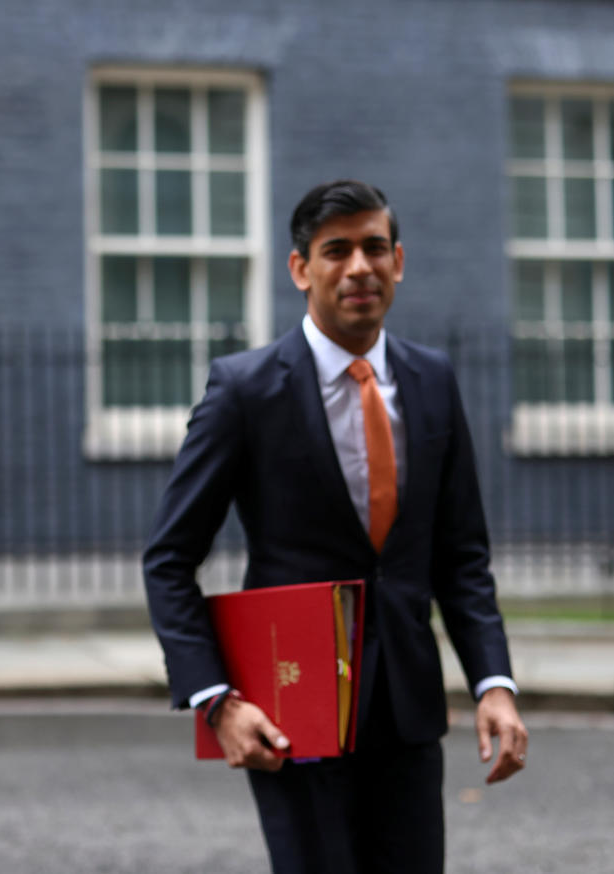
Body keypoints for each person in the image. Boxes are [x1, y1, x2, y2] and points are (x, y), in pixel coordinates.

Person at [142, 179, 528, 874]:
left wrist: (491, 683)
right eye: (336, 250)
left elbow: (461, 556)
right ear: (300, 269)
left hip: (408, 712)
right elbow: (168, 558)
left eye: (374, 248)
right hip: (295, 708)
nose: (359, 267)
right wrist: (215, 701)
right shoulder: (244, 389)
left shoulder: (432, 379)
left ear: (398, 261)